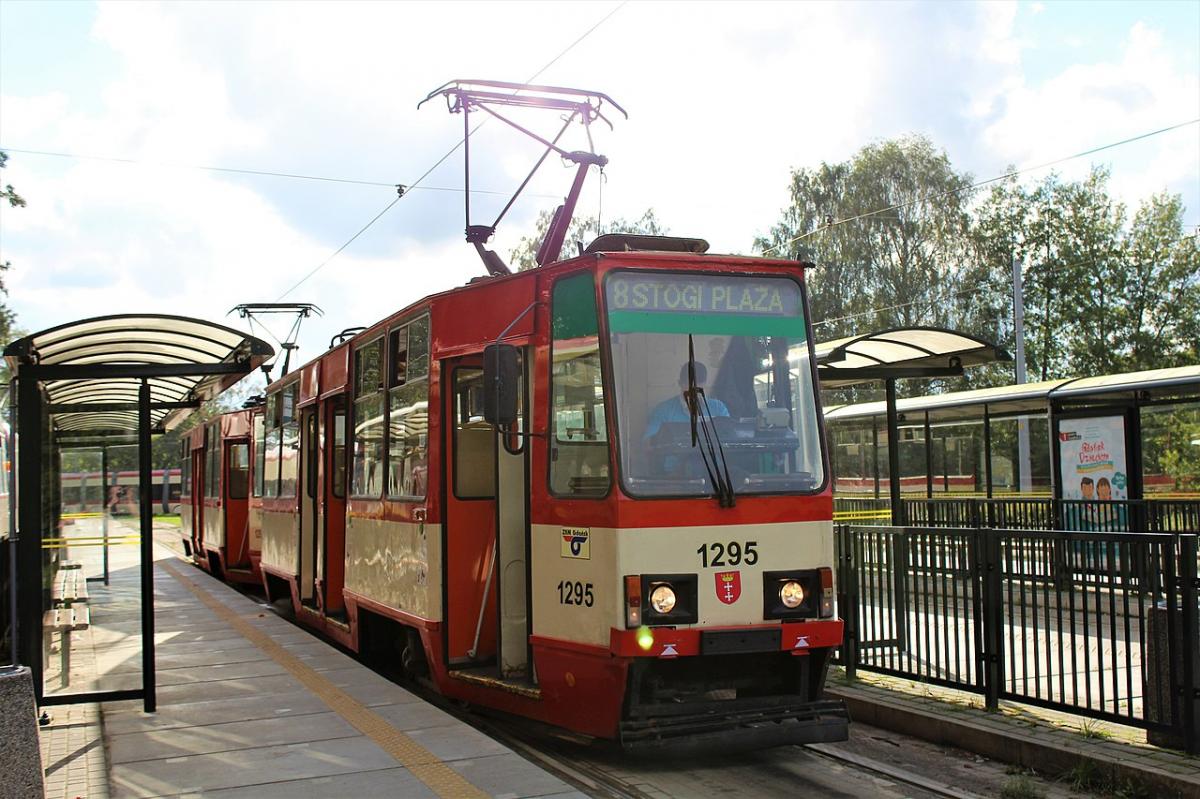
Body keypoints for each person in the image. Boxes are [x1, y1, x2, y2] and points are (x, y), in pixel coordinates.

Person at [643, 362, 730, 440]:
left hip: (711, 458)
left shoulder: (719, 408)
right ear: (679, 383)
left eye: (698, 389)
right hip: (674, 457)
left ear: (705, 384)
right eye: (689, 388)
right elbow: (649, 442)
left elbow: (730, 437)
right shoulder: (663, 411)